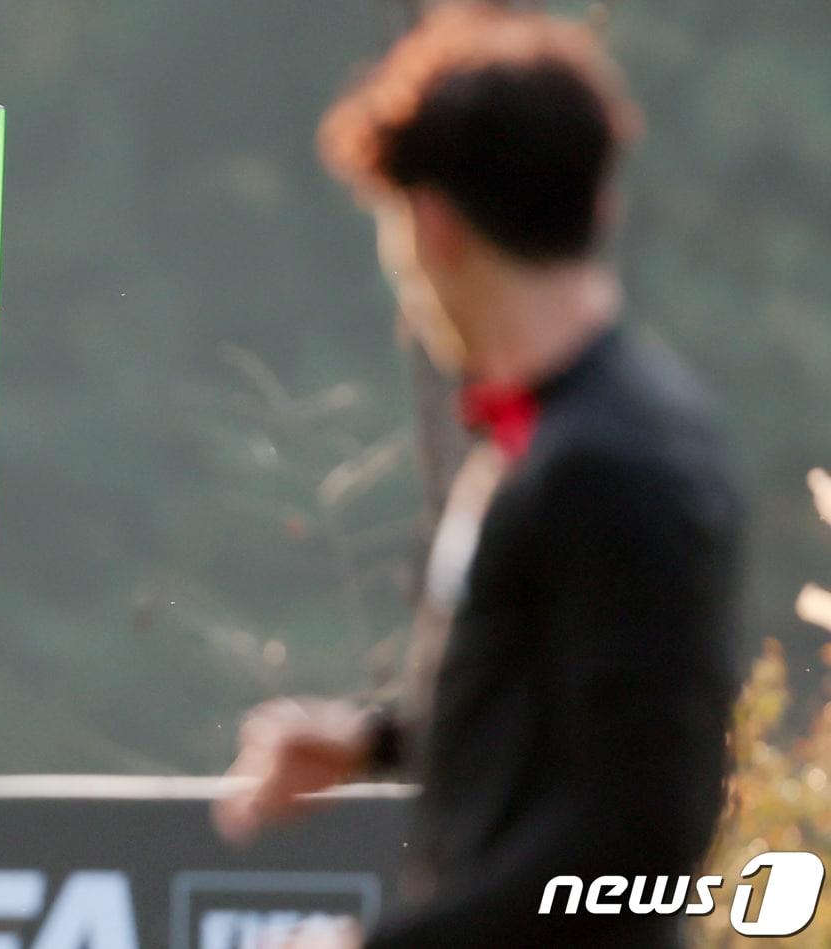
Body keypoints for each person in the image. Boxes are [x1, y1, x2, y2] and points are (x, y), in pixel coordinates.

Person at [214, 5, 742, 947]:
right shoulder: (557, 435)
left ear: (432, 225)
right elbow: (566, 721)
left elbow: (642, 835)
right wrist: (370, 740)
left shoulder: (614, 464)